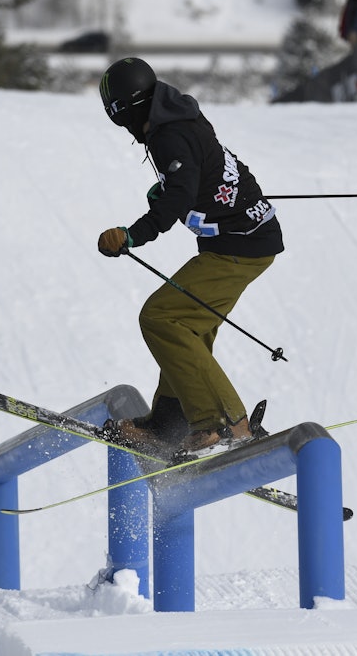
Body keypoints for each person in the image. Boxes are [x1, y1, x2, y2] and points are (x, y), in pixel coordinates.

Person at [96, 57, 283, 459]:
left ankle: (223, 425)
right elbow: (197, 177)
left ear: (121, 110)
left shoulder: (168, 136)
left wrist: (133, 234)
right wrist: (170, 193)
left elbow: (181, 192)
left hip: (239, 246)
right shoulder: (176, 116)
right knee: (189, 326)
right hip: (248, 238)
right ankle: (169, 423)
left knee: (161, 317)